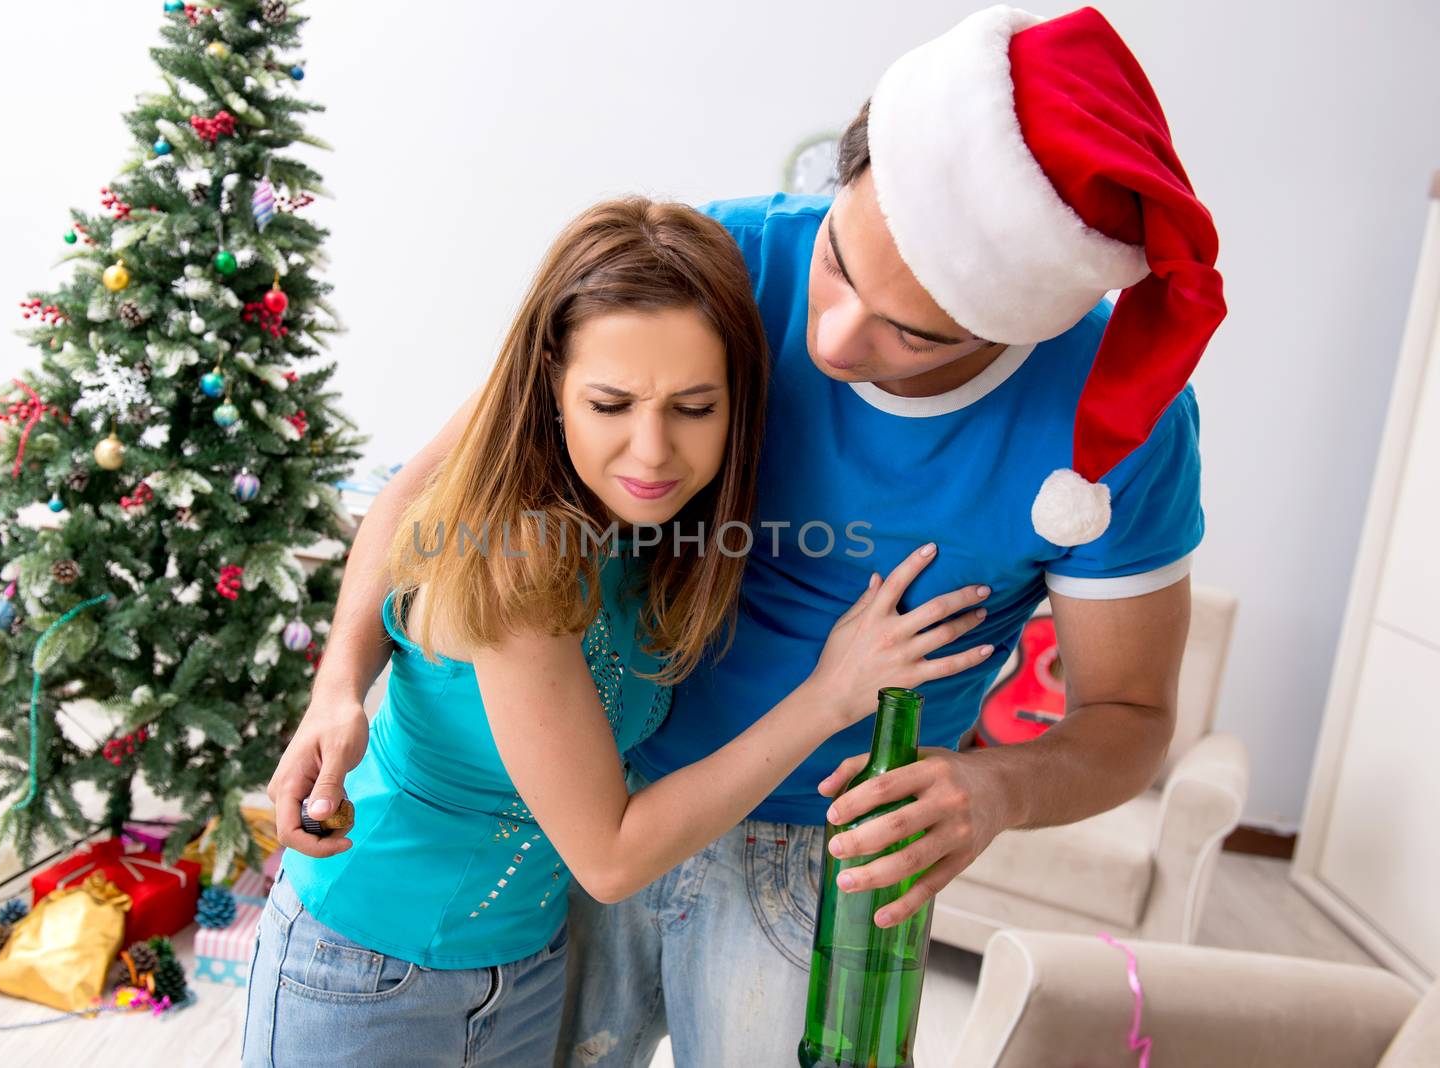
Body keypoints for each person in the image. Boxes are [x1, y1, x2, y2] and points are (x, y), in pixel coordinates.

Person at [244, 197, 994, 1068]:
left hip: (526, 971)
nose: (651, 452)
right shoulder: (518, 559)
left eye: (694, 407)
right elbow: (608, 857)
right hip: (363, 970)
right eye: (609, 404)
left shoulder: (645, 530)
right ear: (551, 388)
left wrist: (339, 690)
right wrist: (829, 697)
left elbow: (403, 497)